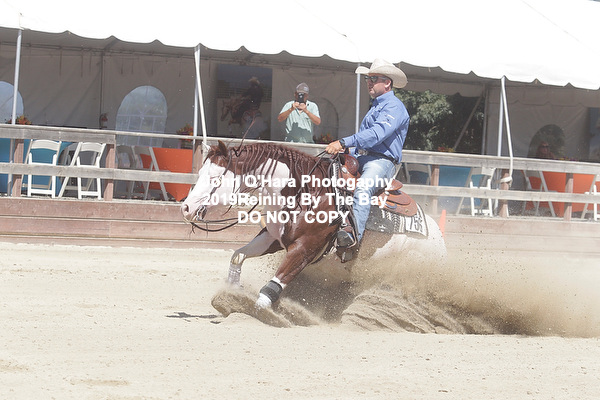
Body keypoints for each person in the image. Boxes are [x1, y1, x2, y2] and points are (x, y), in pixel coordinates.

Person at [325, 59, 410, 254]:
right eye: (367, 79)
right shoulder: (377, 106)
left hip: (382, 162)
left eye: (374, 78)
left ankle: (352, 238)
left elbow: (377, 134)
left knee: (363, 188)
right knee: (329, 175)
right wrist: (348, 154)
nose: (369, 82)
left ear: (387, 83)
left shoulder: (394, 107)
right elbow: (365, 140)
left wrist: (344, 142)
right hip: (364, 158)